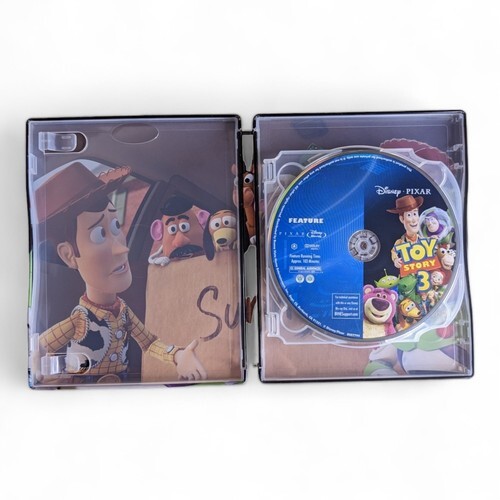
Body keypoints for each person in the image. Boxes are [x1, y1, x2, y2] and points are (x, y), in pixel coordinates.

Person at [33, 162, 207, 384]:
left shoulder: (123, 311)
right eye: (99, 235)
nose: (122, 248)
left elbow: (150, 343)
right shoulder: (80, 318)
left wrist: (178, 355)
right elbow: (41, 345)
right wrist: (36, 361)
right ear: (69, 255)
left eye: (116, 227)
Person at [387, 195, 424, 269]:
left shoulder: (423, 240)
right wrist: (396, 260)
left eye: (415, 214)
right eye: (409, 215)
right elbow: (393, 252)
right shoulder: (400, 242)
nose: (414, 219)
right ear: (402, 219)